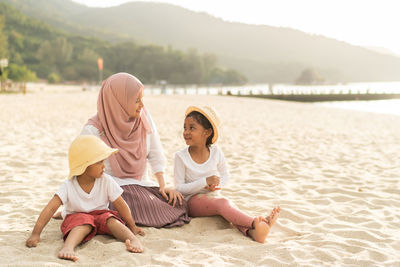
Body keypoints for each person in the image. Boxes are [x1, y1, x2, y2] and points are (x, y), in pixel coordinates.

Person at [63, 72, 190, 228]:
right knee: (121, 201)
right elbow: (79, 169)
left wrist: (163, 186)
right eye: (136, 101)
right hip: (112, 189)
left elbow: (156, 154)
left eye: (142, 99)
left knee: (176, 202)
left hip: (142, 186)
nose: (142, 105)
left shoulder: (143, 118)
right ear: (118, 102)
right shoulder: (93, 130)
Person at [26, 135, 145, 262]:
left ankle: (133, 239)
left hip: (101, 215)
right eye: (99, 162)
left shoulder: (106, 180)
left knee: (111, 219)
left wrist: (132, 226)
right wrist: (35, 233)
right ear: (84, 165)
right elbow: (50, 208)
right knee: (83, 222)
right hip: (78, 216)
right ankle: (68, 247)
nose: (104, 166)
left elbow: (121, 205)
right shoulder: (68, 185)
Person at [174, 106, 280, 243]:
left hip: (213, 196)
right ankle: (256, 222)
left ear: (207, 132)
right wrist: (205, 182)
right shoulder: (181, 157)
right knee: (223, 204)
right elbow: (179, 189)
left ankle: (253, 232)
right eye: (185, 128)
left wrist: (217, 185)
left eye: (192, 128)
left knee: (229, 209)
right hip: (192, 201)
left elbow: (225, 175)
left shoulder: (216, 152)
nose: (186, 132)